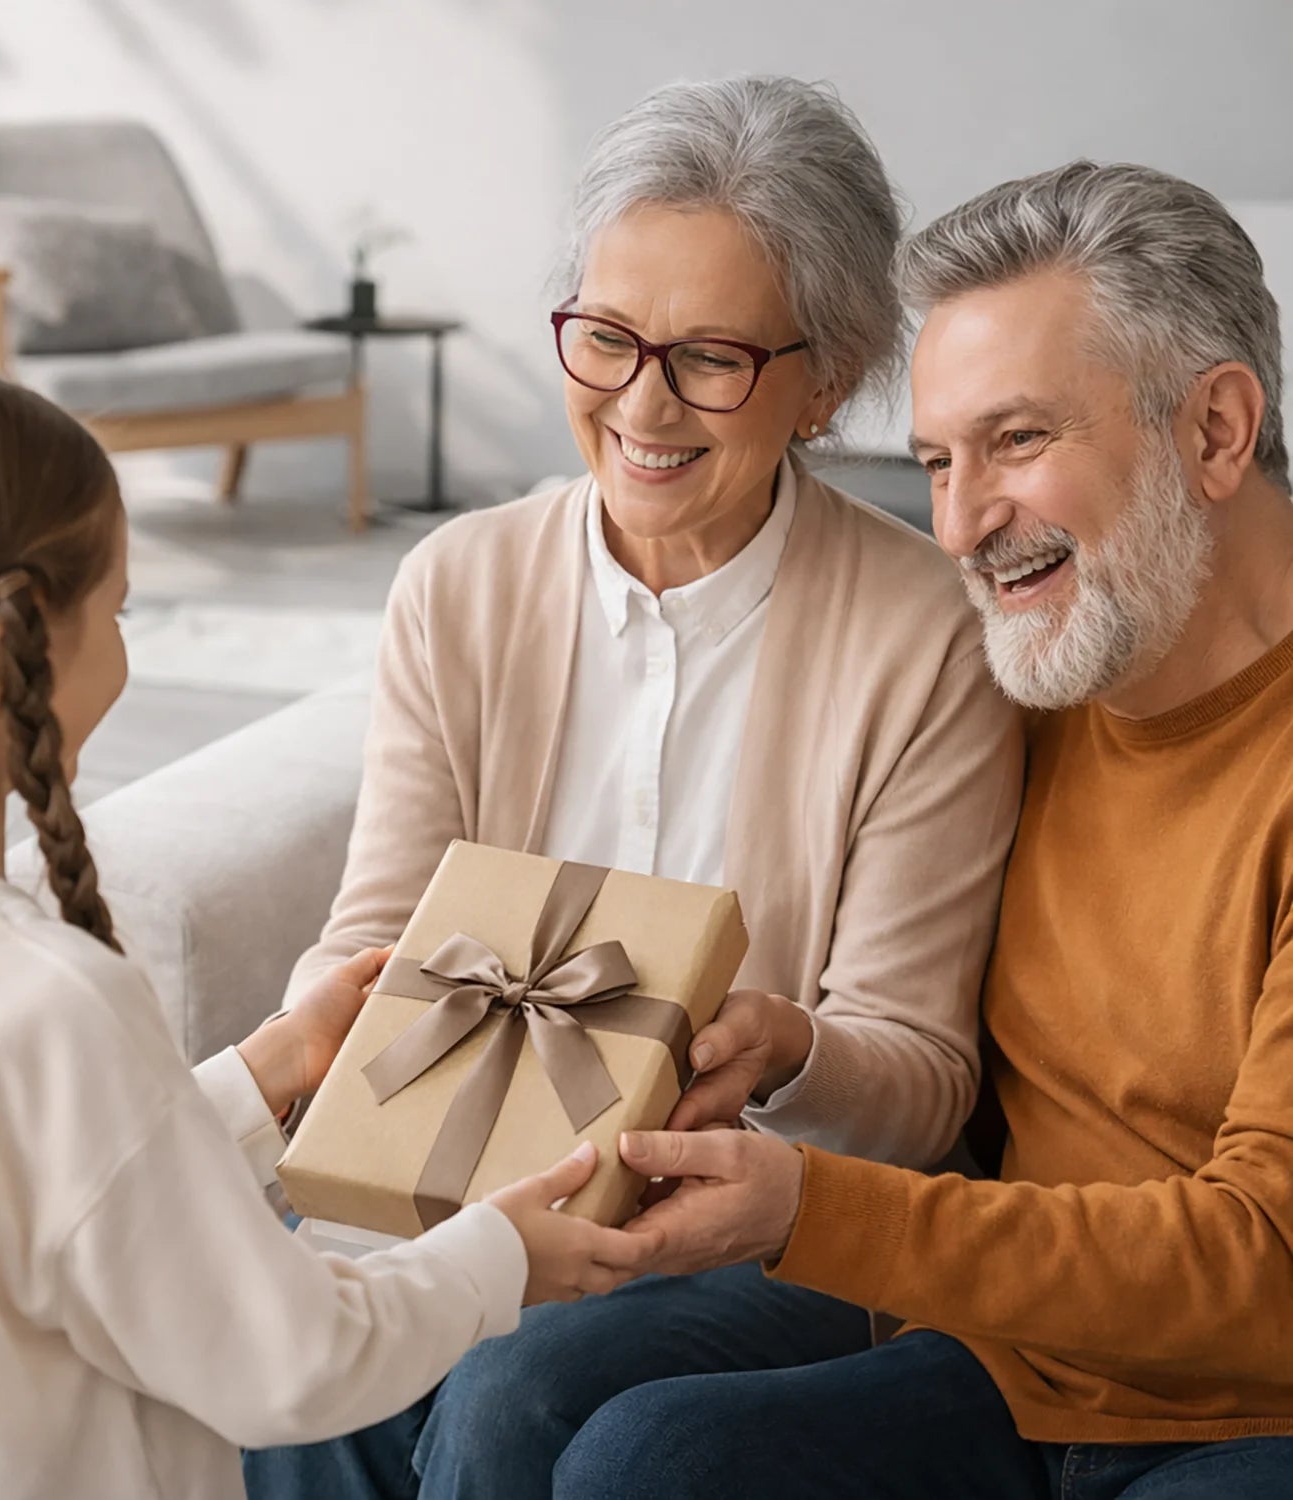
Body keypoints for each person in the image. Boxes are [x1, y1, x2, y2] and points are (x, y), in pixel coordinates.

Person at [244, 74, 1021, 1500]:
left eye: (710, 357)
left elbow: (923, 1089)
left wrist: (787, 1046)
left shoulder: (928, 635)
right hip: (458, 1178)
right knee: (289, 1364)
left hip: (772, 1224)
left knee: (508, 1390)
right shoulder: (458, 587)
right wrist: (325, 1043)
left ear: (827, 377)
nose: (641, 404)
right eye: (605, 340)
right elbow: (368, 934)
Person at [0, 359, 660, 1500]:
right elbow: (292, 1362)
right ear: (23, 641)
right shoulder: (45, 1005)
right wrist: (497, 1255)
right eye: (118, 608)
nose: (124, 642)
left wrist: (266, 1072)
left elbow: (18, 1204)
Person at [554, 161, 1293, 1499]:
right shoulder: (1044, 680)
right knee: (644, 1464)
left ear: (1218, 431)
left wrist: (809, 1207)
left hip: (1259, 1408)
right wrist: (788, 1048)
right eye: (938, 462)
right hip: (1012, 1365)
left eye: (1017, 443)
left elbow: (1271, 1260)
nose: (957, 526)